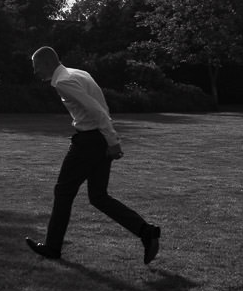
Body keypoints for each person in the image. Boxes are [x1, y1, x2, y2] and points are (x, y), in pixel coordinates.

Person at [24, 48, 161, 264]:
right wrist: (109, 139)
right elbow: (102, 108)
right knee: (98, 197)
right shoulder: (79, 73)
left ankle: (52, 247)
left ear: (47, 62)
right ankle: (146, 231)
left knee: (63, 191)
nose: (35, 72)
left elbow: (96, 111)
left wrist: (113, 141)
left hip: (88, 141)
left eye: (36, 67)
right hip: (99, 140)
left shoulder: (63, 81)